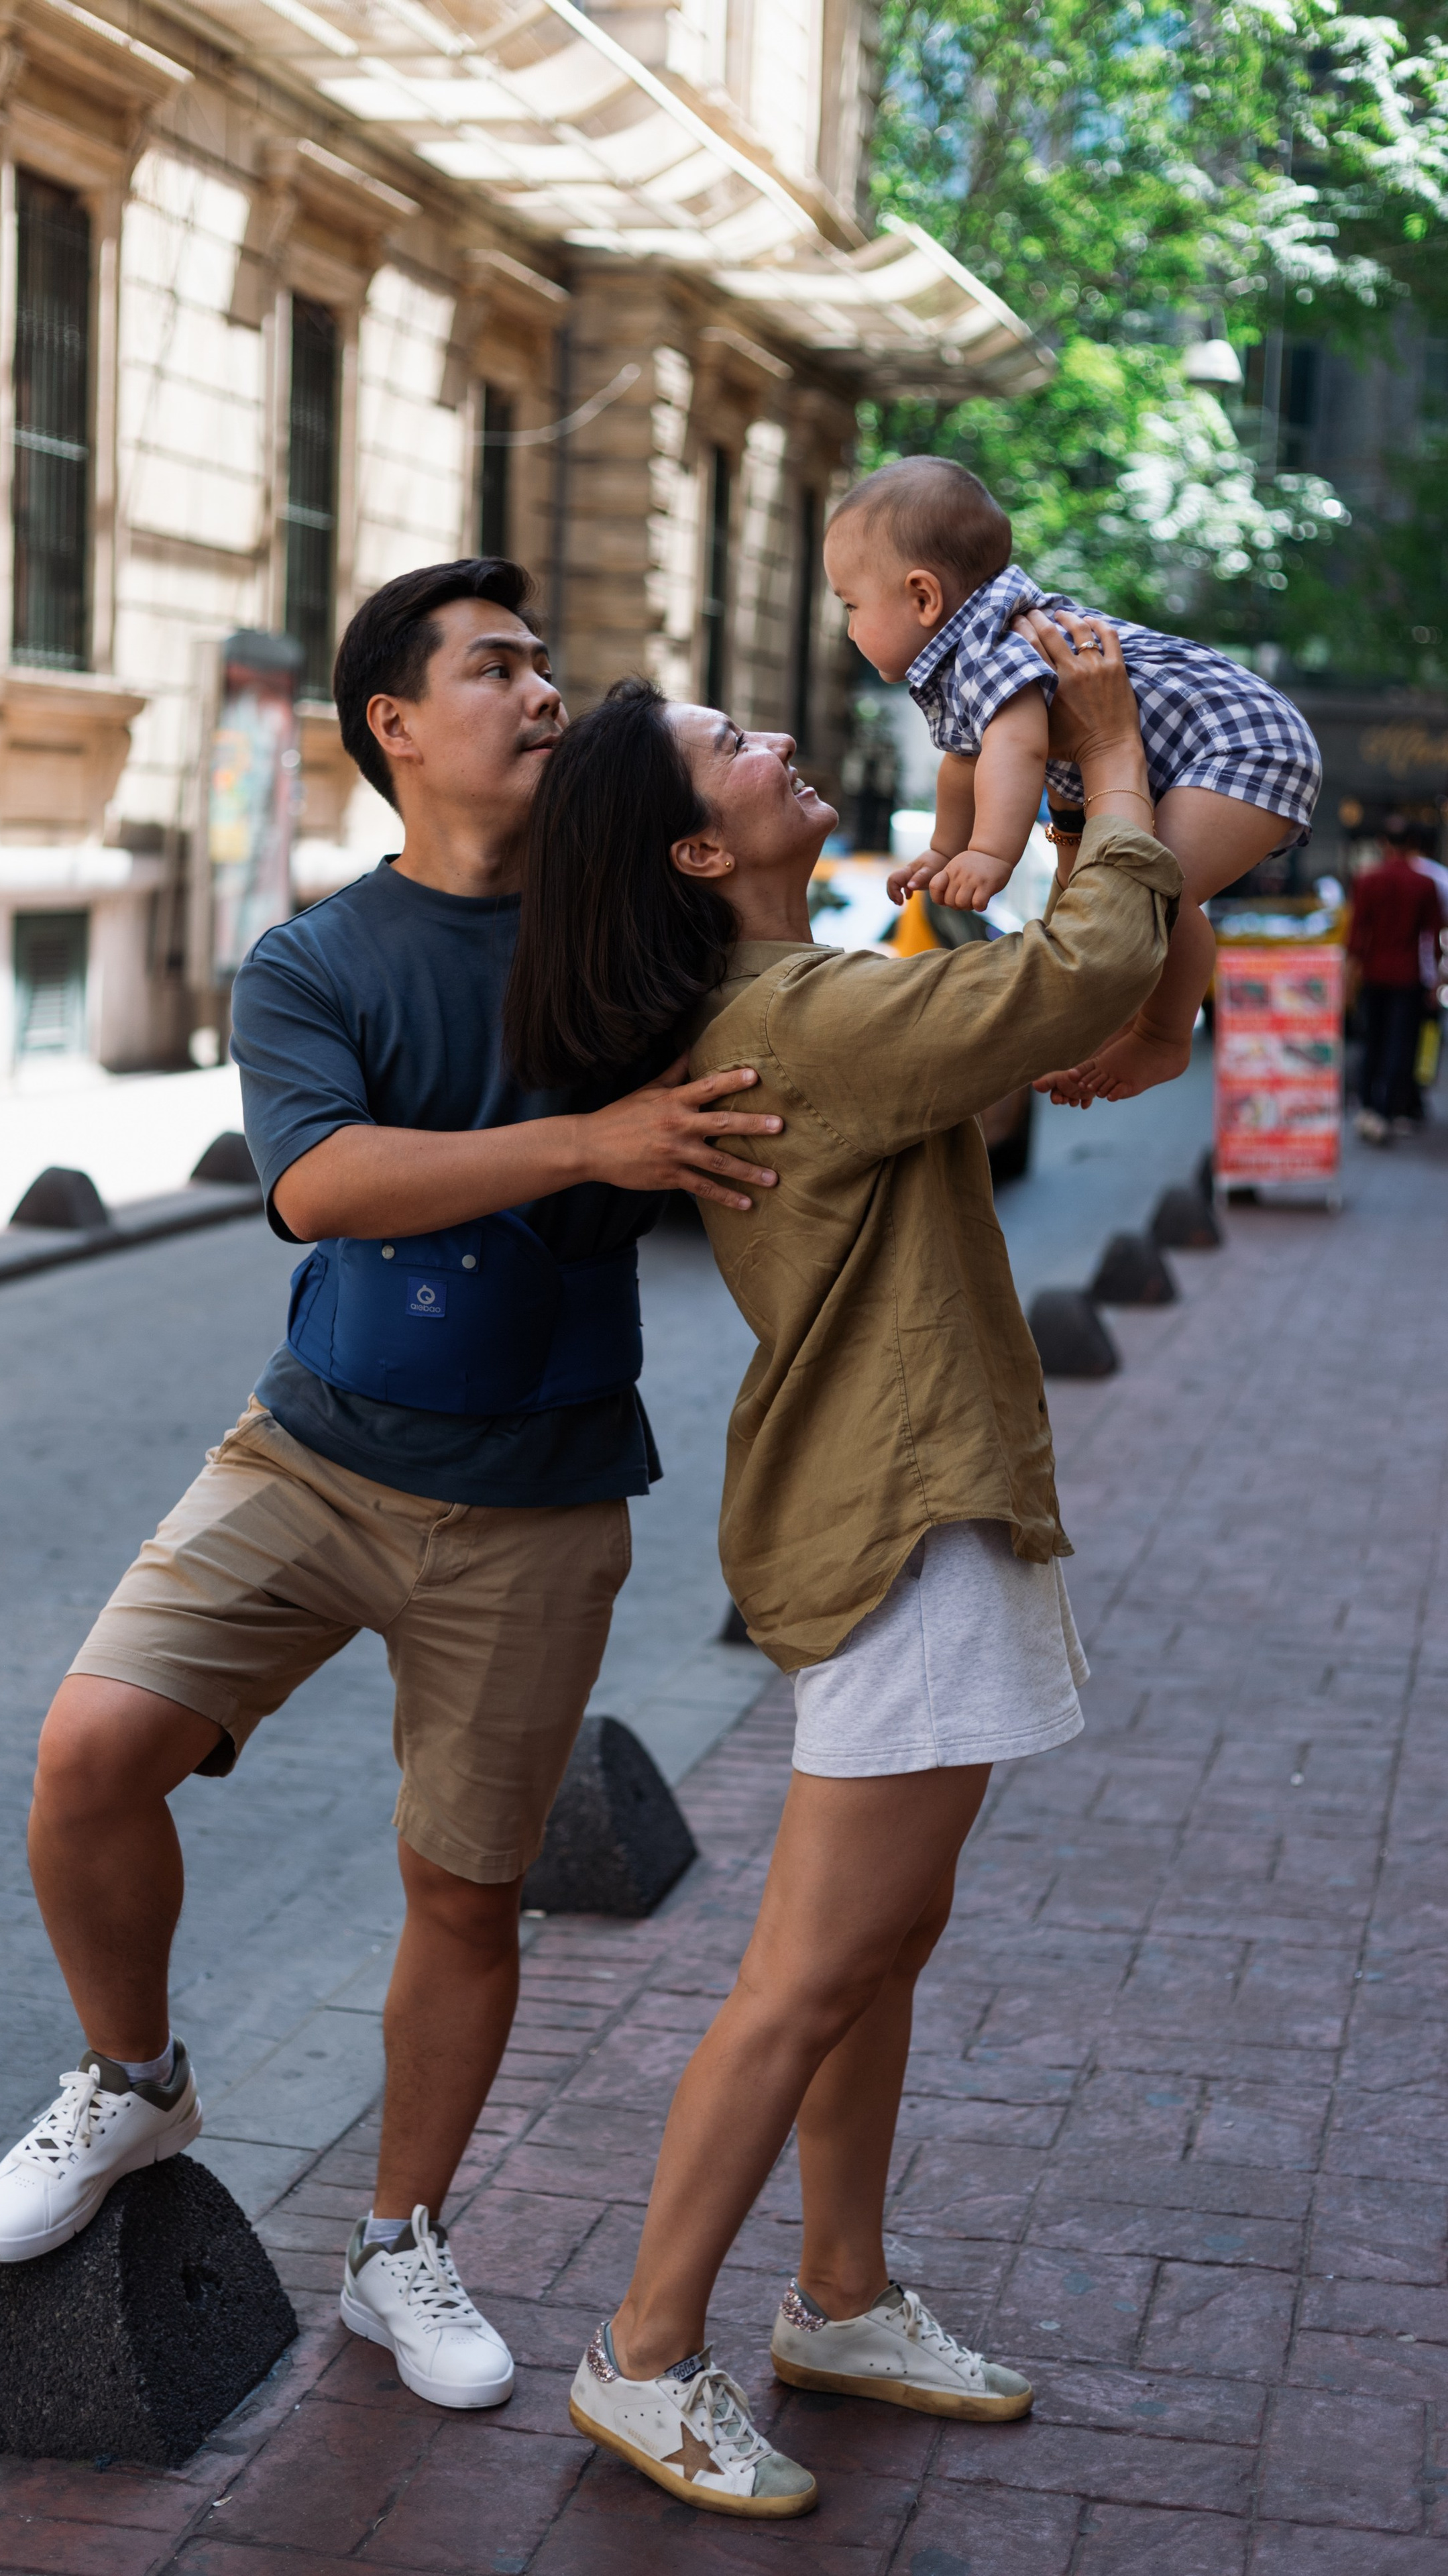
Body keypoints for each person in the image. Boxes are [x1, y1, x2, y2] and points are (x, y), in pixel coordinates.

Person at [0, 558, 787, 2415]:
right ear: (397, 728)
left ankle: (395, 2240)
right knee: (91, 1755)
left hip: (547, 1501)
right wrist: (593, 1138)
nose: (544, 692)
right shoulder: (314, 960)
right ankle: (136, 2084)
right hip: (311, 1452)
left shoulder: (642, 944)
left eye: (550, 665)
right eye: (498, 667)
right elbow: (321, 1186)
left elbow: (796, 1016)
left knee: (466, 1892)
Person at [502, 614, 1180, 2516]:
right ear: (697, 851)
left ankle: (844, 2295)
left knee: (879, 1943)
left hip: (912, 1504)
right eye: (734, 741)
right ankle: (642, 2353)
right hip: (896, 1521)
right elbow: (1084, 974)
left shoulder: (807, 994)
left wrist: (1017, 824)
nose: (779, 737)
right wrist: (1109, 756)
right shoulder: (792, 1017)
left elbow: (1054, 1018)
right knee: (808, 1971)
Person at [824, 455, 1321, 1104]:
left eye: (852, 605)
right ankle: (1116, 1026)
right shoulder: (961, 655)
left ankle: (1164, 1037)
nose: (851, 627)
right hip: (1206, 754)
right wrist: (945, 849)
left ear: (924, 597)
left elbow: (1017, 746)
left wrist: (988, 853)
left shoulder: (990, 646)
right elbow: (963, 760)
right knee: (1136, 892)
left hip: (1242, 747)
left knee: (1149, 891)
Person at [1348, 820, 1444, 1140]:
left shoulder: (1367, 880)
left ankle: (1366, 1105)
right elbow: (1433, 938)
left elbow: (1357, 935)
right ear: (1413, 844)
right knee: (1400, 1045)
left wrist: (1352, 976)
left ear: (1382, 842)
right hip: (1408, 975)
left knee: (1372, 1040)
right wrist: (1436, 982)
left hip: (1374, 972)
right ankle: (1389, 1109)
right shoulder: (1424, 884)